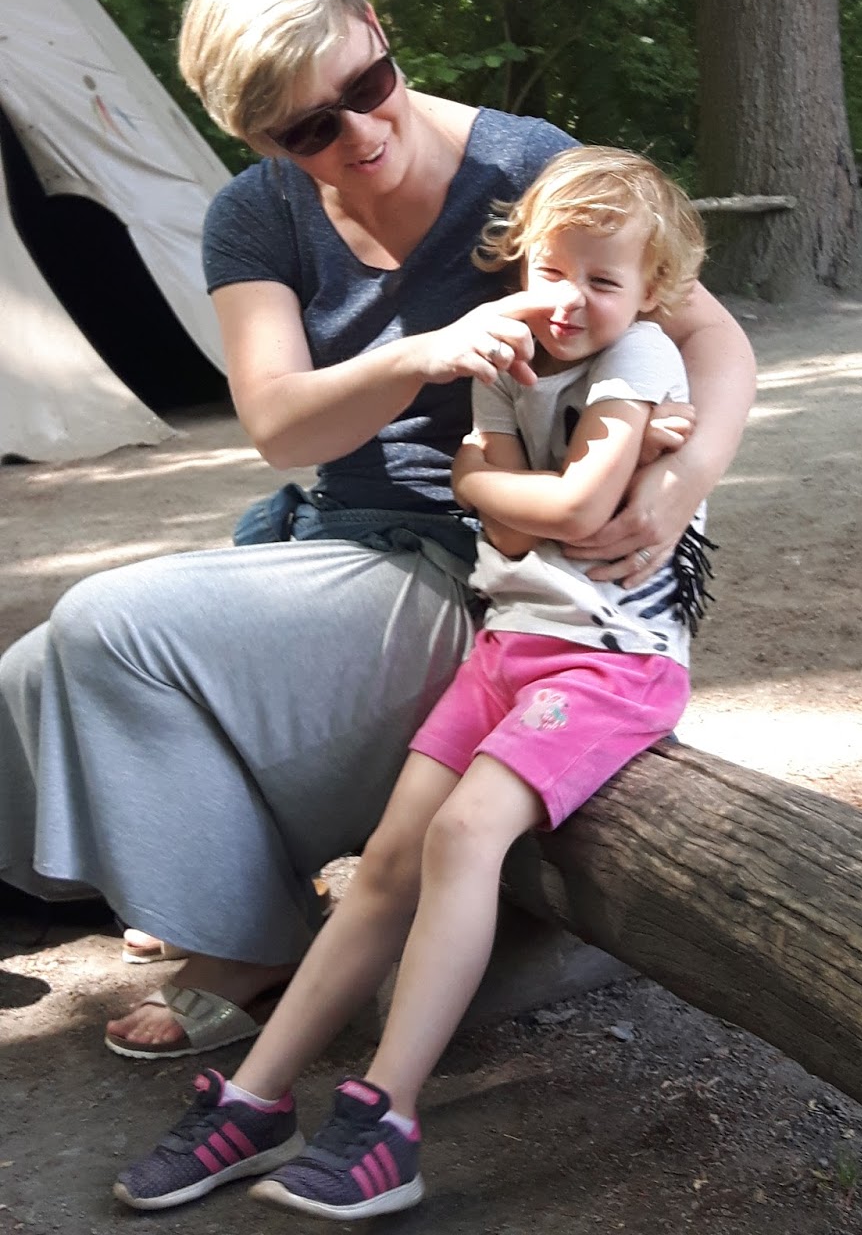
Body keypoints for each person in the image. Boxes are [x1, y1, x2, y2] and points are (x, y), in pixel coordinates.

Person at [0, 0, 754, 1061]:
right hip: (343, 541)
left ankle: (248, 943)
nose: (360, 134)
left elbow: (714, 337)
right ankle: (151, 879)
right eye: (309, 129)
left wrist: (682, 483)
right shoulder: (257, 214)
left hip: (489, 566)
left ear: (374, 26)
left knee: (108, 624)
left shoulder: (524, 166)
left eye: (366, 87)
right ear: (255, 137)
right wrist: (423, 354)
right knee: (29, 666)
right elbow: (280, 425)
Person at [113, 145, 711, 1217]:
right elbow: (506, 514)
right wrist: (509, 484)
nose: (569, 299)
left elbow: (573, 513)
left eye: (603, 279)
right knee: (388, 858)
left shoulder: (643, 356)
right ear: (522, 261)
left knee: (462, 836)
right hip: (510, 642)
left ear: (651, 291)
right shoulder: (507, 354)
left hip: (612, 659)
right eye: (551, 269)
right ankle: (254, 1099)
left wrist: (490, 482)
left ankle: (385, 1116)